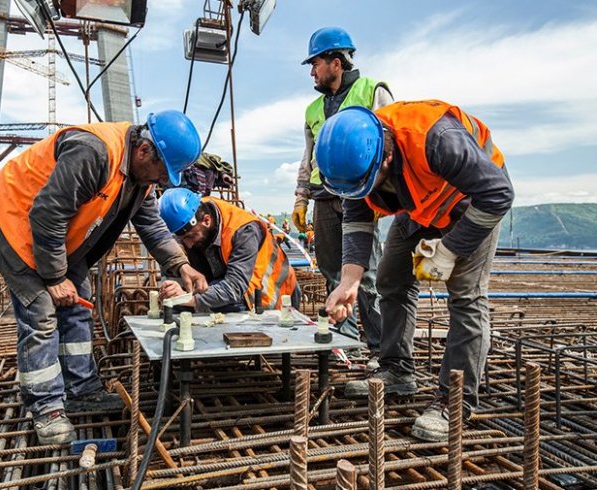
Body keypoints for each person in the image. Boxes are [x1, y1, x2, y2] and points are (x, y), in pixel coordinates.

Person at [0, 110, 207, 445]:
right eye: (162, 172)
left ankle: (80, 388)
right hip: (12, 221)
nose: (162, 181)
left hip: (56, 235)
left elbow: (151, 226)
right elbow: (48, 212)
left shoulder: (140, 178)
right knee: (41, 309)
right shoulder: (94, 152)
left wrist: (181, 265)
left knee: (79, 300)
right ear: (143, 151)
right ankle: (46, 407)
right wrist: (52, 277)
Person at [317, 101, 514, 442]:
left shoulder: (437, 140)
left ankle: (455, 401)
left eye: (367, 184)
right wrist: (349, 281)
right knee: (390, 276)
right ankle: (396, 369)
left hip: (475, 203)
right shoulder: (353, 163)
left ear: (386, 156)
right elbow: (357, 217)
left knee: (466, 296)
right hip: (423, 204)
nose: (362, 194)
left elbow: (498, 194)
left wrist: (449, 251)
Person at [292, 26, 392, 367]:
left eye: (315, 63)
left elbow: (388, 143)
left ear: (336, 62)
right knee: (333, 271)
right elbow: (308, 158)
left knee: (367, 275)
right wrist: (300, 198)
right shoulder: (312, 110)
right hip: (324, 196)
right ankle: (347, 345)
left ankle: (380, 348)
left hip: (363, 193)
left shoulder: (371, 90)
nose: (312, 72)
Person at [157, 188, 300, 312]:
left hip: (270, 294)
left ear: (207, 220)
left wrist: (187, 299)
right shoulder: (185, 221)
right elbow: (172, 270)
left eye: (191, 236)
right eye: (183, 240)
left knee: (223, 305)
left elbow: (234, 288)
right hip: (227, 285)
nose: (188, 245)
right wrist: (172, 287)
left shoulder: (244, 231)